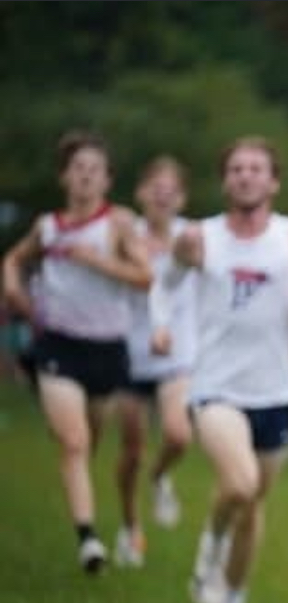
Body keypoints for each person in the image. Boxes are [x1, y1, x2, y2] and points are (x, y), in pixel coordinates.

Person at [166, 136, 288, 603]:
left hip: (275, 393)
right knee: (237, 484)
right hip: (216, 388)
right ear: (224, 180)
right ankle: (208, 550)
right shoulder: (201, 237)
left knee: (253, 506)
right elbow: (162, 284)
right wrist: (160, 327)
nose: (245, 176)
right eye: (236, 169)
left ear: (274, 181)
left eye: (255, 169)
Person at [1, 129, 153, 574]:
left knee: (92, 438)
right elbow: (12, 259)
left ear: (107, 180)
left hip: (107, 349)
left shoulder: (117, 225)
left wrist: (98, 260)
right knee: (73, 442)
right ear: (64, 177)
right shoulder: (47, 227)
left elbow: (145, 278)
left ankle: (92, 515)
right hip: (57, 345)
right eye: (78, 169)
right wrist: (14, 290)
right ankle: (88, 538)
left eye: (95, 170)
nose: (86, 177)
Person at [113, 156, 194, 568]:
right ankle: (130, 528)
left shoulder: (191, 238)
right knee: (131, 450)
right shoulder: (126, 237)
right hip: (130, 354)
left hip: (178, 354)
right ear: (140, 193)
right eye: (155, 188)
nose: (162, 196)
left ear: (182, 198)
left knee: (179, 435)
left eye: (171, 190)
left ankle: (161, 477)